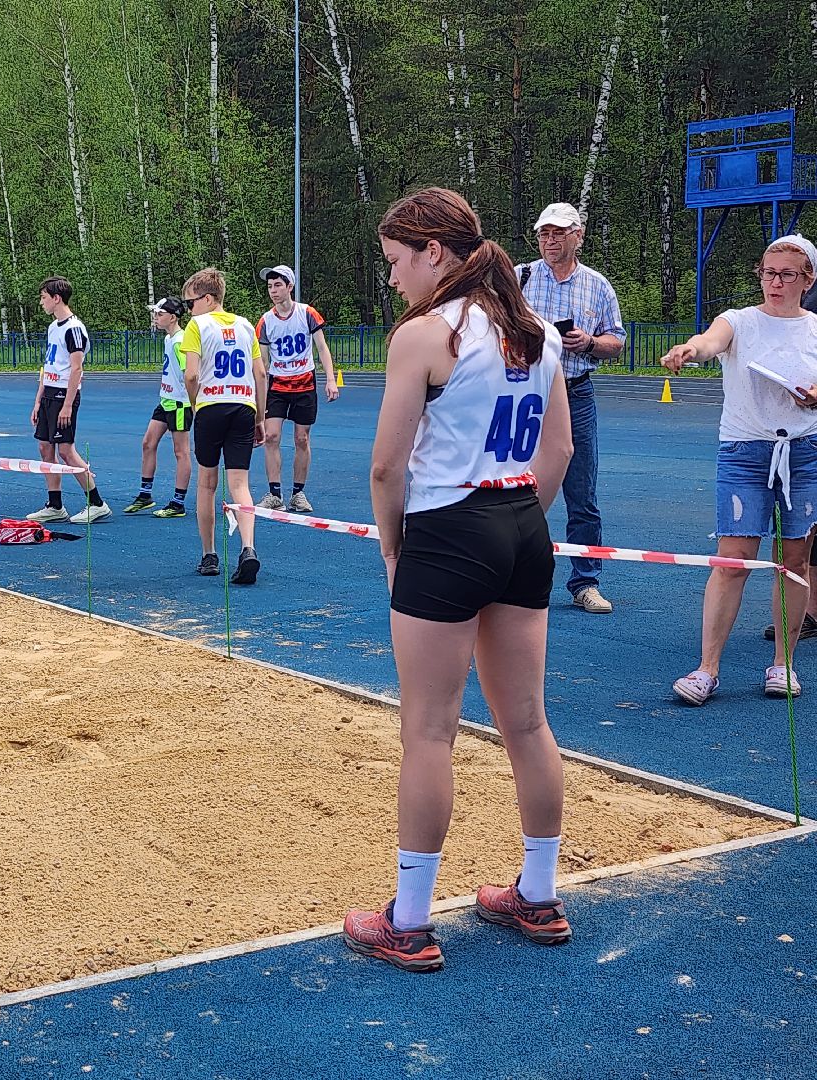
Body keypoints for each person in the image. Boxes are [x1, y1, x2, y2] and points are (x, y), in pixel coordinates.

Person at [344, 188, 574, 972]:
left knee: (429, 730)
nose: (395, 279)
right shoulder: (534, 332)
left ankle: (408, 921)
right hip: (520, 524)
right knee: (529, 724)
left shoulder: (424, 336)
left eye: (396, 262)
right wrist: (515, 517)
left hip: (450, 530)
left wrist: (394, 548)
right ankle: (537, 896)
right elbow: (560, 452)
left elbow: (385, 466)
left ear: (432, 251)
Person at [659, 235, 817, 704]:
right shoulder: (740, 320)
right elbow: (712, 341)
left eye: (787, 274)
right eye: (768, 272)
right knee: (733, 561)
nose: (775, 282)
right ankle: (707, 668)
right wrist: (690, 349)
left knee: (794, 562)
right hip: (746, 451)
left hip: (804, 451)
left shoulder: (814, 328)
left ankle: (783, 665)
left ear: (807, 280)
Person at [518, 202, 626, 614]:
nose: (550, 240)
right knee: (513, 485)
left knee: (582, 493)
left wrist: (591, 344)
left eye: (559, 233)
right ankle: (517, 572)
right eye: (544, 233)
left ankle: (585, 581)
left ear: (578, 236)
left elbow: (616, 339)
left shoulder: (597, 286)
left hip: (576, 391)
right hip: (526, 393)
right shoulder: (520, 277)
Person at [180, 267, 266, 584]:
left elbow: (191, 375)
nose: (188, 309)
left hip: (210, 406)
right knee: (240, 484)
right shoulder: (245, 326)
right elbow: (261, 375)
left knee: (207, 483)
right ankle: (248, 547)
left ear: (206, 298)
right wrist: (260, 415)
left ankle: (209, 555)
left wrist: (195, 402)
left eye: (190, 302)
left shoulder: (197, 326)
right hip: (243, 406)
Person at [25, 277, 111, 525]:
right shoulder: (54, 327)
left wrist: (67, 404)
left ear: (56, 298)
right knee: (45, 447)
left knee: (66, 451)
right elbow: (48, 365)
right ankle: (55, 505)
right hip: (50, 392)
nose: (41, 302)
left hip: (65, 395)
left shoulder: (74, 329)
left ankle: (97, 503)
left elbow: (76, 369)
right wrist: (38, 399)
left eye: (43, 297)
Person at [255, 264, 338, 513]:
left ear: (290, 287)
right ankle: (274, 493)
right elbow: (263, 361)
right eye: (270, 286)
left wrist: (331, 379)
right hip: (278, 385)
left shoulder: (307, 313)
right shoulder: (265, 321)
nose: (273, 291)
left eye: (278, 285)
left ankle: (298, 494)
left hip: (304, 382)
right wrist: (259, 393)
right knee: (271, 436)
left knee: (302, 439)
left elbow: (322, 348)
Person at [123, 296, 192, 518]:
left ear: (173, 317)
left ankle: (178, 502)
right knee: (148, 443)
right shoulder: (169, 339)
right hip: (166, 400)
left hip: (180, 403)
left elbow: (189, 373)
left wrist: (194, 401)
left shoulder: (181, 341)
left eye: (160, 314)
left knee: (181, 452)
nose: (155, 317)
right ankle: (145, 495)